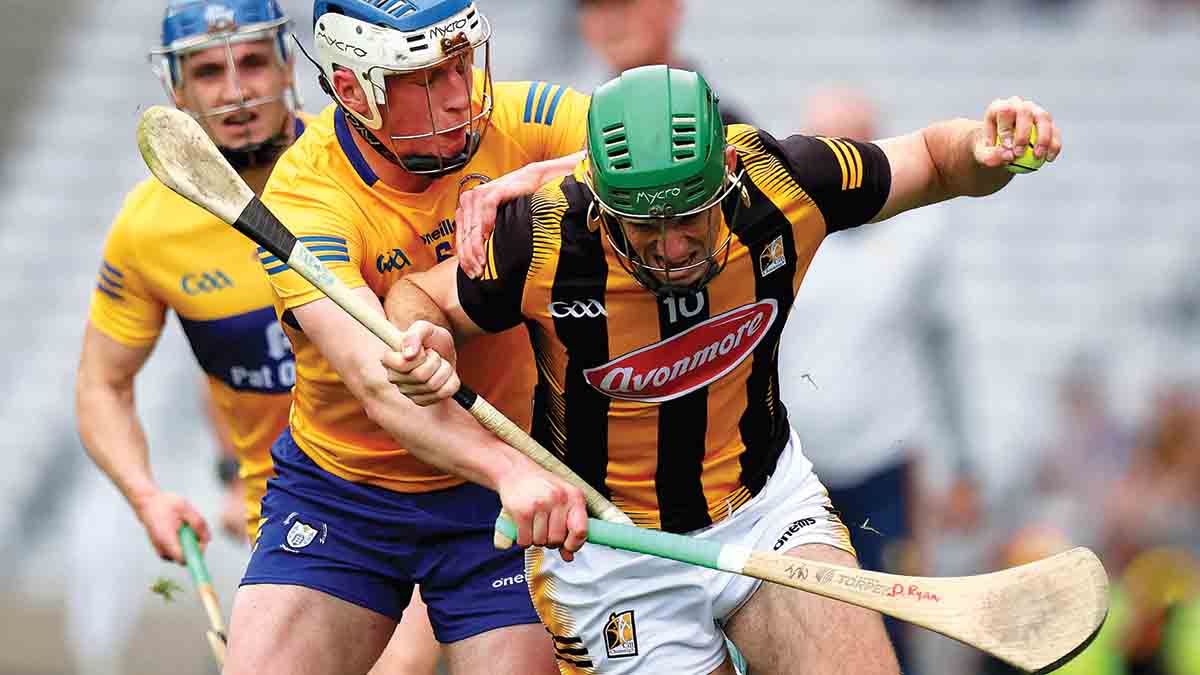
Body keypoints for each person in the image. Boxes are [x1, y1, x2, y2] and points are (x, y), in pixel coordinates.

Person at [382, 65, 1064, 673]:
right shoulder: (543, 237)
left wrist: (987, 150)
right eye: (644, 227)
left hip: (767, 508)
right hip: (611, 552)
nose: (672, 247)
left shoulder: (784, 183)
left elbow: (936, 161)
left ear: (727, 171)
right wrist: (423, 336)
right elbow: (420, 295)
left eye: (690, 217)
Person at [224, 1, 597, 673]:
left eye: (461, 64)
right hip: (346, 493)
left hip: (503, 494)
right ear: (352, 91)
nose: (460, 95)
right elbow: (382, 387)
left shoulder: (522, 119)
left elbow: (704, 143)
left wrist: (529, 179)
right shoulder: (304, 198)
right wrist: (510, 470)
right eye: (427, 79)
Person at [73, 2, 442, 673]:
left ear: (288, 66)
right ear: (176, 91)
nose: (237, 92)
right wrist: (148, 495)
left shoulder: (368, 162)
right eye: (209, 72)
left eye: (251, 63)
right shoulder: (147, 229)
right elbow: (103, 383)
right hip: (299, 522)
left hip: (435, 487)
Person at [776, 85, 982, 674]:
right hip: (793, 470)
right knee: (795, 622)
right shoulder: (777, 230)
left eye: (851, 142)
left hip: (883, 469)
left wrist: (963, 465)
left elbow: (947, 356)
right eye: (822, 143)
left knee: (893, 618)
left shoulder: (919, 235)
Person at [575, 0, 753, 126]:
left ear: (672, 5)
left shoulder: (724, 129)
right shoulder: (578, 130)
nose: (610, 22)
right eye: (594, 5)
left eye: (624, 3)